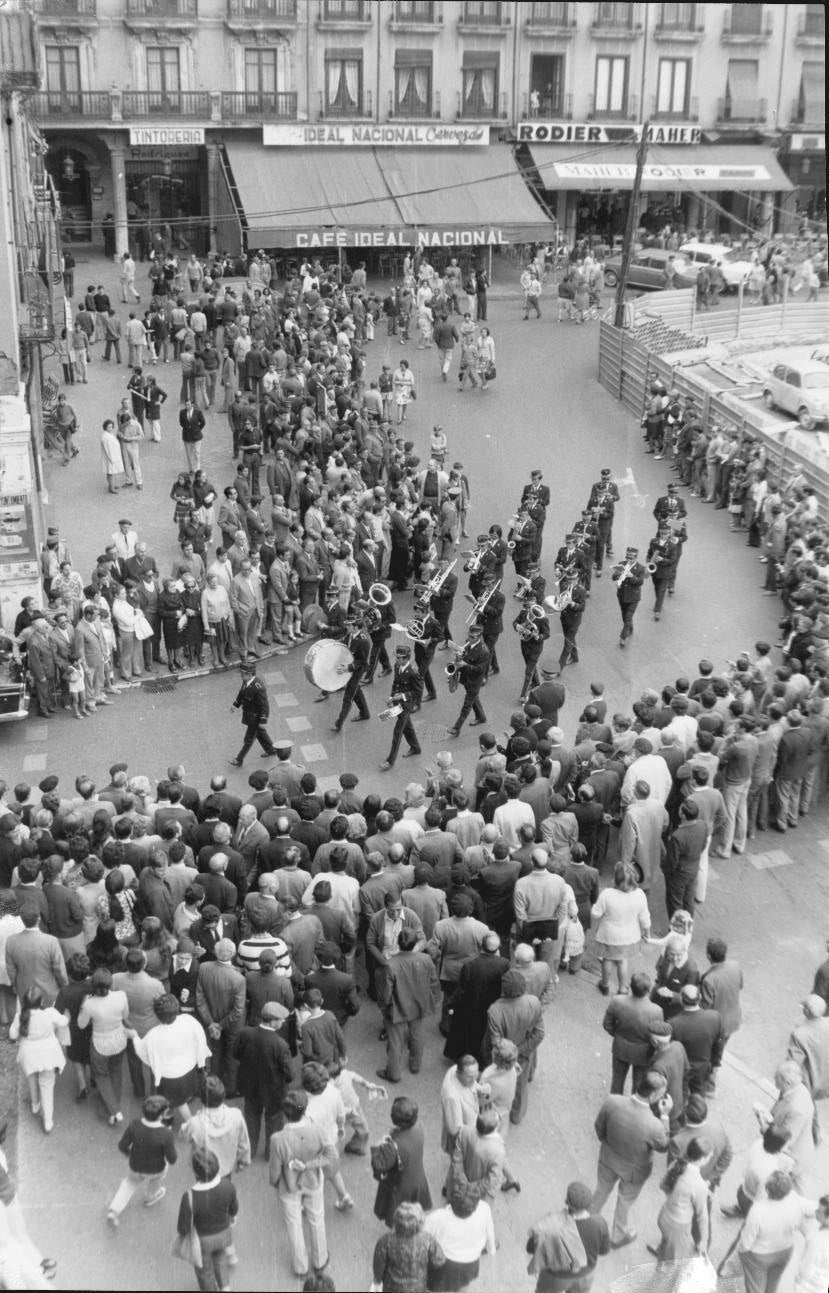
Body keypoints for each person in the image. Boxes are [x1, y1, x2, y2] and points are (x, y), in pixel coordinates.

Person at [591, 1072, 671, 1248]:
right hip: (635, 1171)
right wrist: (665, 1116)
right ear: (653, 1095)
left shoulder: (612, 1101)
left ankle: (585, 1222)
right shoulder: (655, 1125)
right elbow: (664, 1146)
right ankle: (618, 1235)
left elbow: (599, 1128)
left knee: (601, 1191)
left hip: (608, 1158)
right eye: (660, 1094)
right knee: (625, 1201)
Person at [268, 1089, 331, 1280]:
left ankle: (300, 1267)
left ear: (285, 1114)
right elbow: (330, 1156)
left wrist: (274, 1182)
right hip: (312, 1180)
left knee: (293, 1224)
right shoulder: (318, 1130)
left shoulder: (277, 1139)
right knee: (316, 1218)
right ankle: (320, 1262)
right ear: (305, 1109)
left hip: (289, 1185)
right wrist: (310, 1165)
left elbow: (274, 1170)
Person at [377, 927, 440, 1084]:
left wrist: (384, 1009)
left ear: (398, 943)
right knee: (417, 1037)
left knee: (395, 1043)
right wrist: (434, 1001)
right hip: (419, 1007)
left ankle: (393, 1073)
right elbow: (434, 983)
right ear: (415, 944)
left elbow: (386, 993)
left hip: (397, 1009)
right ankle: (415, 1065)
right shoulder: (426, 960)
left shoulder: (391, 964)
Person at [739, 1169, 818, 1293]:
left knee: (755, 1288)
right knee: (772, 1285)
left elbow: (746, 1242)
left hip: (759, 1255)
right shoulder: (794, 1199)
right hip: (784, 1252)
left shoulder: (758, 1210)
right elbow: (816, 1208)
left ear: (768, 1190)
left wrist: (743, 1253)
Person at [233, 1000, 294, 1157]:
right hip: (274, 1091)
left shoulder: (245, 1033)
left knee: (251, 1117)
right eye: (281, 1020)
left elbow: (235, 1054)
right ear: (273, 1021)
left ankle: (250, 1150)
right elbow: (290, 1075)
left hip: (249, 1086)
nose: (283, 1022)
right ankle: (270, 1152)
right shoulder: (280, 1045)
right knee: (274, 1120)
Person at [526, 1180, 610, 1293]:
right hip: (585, 1275)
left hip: (557, 1277)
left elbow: (530, 1248)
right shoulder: (600, 1222)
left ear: (567, 1201)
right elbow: (603, 1251)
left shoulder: (550, 1225)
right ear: (589, 1204)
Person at [107, 1093, 177, 1227]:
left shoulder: (134, 1125)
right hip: (156, 1168)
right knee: (158, 1177)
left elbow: (122, 1145)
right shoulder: (166, 1134)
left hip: (136, 1165)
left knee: (128, 1184)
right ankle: (150, 1197)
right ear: (161, 1115)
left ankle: (114, 1210)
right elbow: (172, 1159)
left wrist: (130, 1154)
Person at [176, 1145, 239, 1293]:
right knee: (221, 1257)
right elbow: (234, 1208)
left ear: (195, 1172)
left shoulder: (189, 1196)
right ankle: (225, 1286)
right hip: (223, 1234)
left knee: (204, 1270)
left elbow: (183, 1228)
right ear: (217, 1167)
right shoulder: (228, 1186)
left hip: (202, 1241)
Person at [9, 987, 69, 1135]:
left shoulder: (20, 1016)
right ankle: (48, 1121)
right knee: (47, 1086)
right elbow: (63, 1022)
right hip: (49, 1055)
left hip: (29, 1056)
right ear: (41, 1001)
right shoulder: (50, 1013)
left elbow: (12, 1035)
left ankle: (35, 1104)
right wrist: (67, 1015)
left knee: (31, 1079)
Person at [77, 967, 130, 1126]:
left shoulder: (89, 1004)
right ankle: (114, 1109)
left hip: (100, 1044)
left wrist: (82, 1005)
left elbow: (81, 1025)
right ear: (110, 983)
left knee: (101, 1076)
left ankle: (114, 1110)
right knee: (116, 1073)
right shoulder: (121, 996)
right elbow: (125, 1016)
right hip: (120, 1040)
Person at [590, 862, 651, 996]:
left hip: (609, 935)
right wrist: (647, 933)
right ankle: (623, 989)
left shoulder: (607, 894)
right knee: (623, 960)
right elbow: (645, 918)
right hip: (629, 936)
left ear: (616, 878)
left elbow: (596, 913)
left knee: (607, 959)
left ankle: (605, 985)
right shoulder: (640, 895)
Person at [373, 1095, 432, 1229]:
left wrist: (378, 1146)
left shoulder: (392, 1145)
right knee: (414, 1209)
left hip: (400, 1186)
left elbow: (379, 1165)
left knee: (399, 1214)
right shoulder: (418, 1126)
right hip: (418, 1178)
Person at [649, 1137, 711, 1262]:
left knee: (667, 1247)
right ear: (703, 1159)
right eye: (710, 1156)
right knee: (672, 1264)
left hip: (664, 1216)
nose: (710, 1158)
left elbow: (663, 1185)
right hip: (678, 1229)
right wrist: (703, 1241)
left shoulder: (677, 1164)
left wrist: (680, 1195)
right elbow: (702, 1216)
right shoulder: (699, 1184)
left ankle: (662, 1252)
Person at [603, 971, 664, 1094]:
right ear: (648, 991)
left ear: (631, 987)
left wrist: (617, 1034)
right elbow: (657, 1036)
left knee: (617, 1081)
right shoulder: (657, 1011)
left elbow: (607, 1024)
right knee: (639, 1083)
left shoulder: (617, 1001)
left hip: (621, 1047)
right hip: (643, 1053)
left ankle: (615, 1105)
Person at [372, 1202, 445, 1293]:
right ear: (419, 1221)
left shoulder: (385, 1240)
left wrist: (378, 1280)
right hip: (417, 1287)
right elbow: (439, 1261)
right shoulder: (427, 1239)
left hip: (392, 1286)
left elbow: (378, 1265)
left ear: (396, 1220)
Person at [230, 660, 278, 766]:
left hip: (255, 718)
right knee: (260, 734)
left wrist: (263, 720)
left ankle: (239, 760)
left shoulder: (258, 687)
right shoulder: (246, 681)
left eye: (242, 674)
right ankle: (271, 750)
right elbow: (241, 694)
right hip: (249, 715)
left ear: (249, 674)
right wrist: (235, 704)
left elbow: (264, 706)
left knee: (248, 739)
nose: (241, 676)